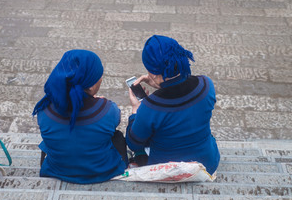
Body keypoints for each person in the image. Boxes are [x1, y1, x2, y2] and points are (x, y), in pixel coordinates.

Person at [126, 35, 220, 175]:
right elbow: (181, 105)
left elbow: (133, 143)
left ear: (152, 72)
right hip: (207, 163)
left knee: (140, 139)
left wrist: (135, 111)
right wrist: (161, 86)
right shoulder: (206, 85)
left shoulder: (149, 106)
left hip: (166, 170)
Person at [32, 49, 128, 184]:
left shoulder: (44, 110)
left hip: (57, 170)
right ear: (92, 85)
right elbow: (115, 119)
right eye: (99, 75)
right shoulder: (108, 109)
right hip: (102, 171)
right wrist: (100, 104)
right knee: (116, 136)